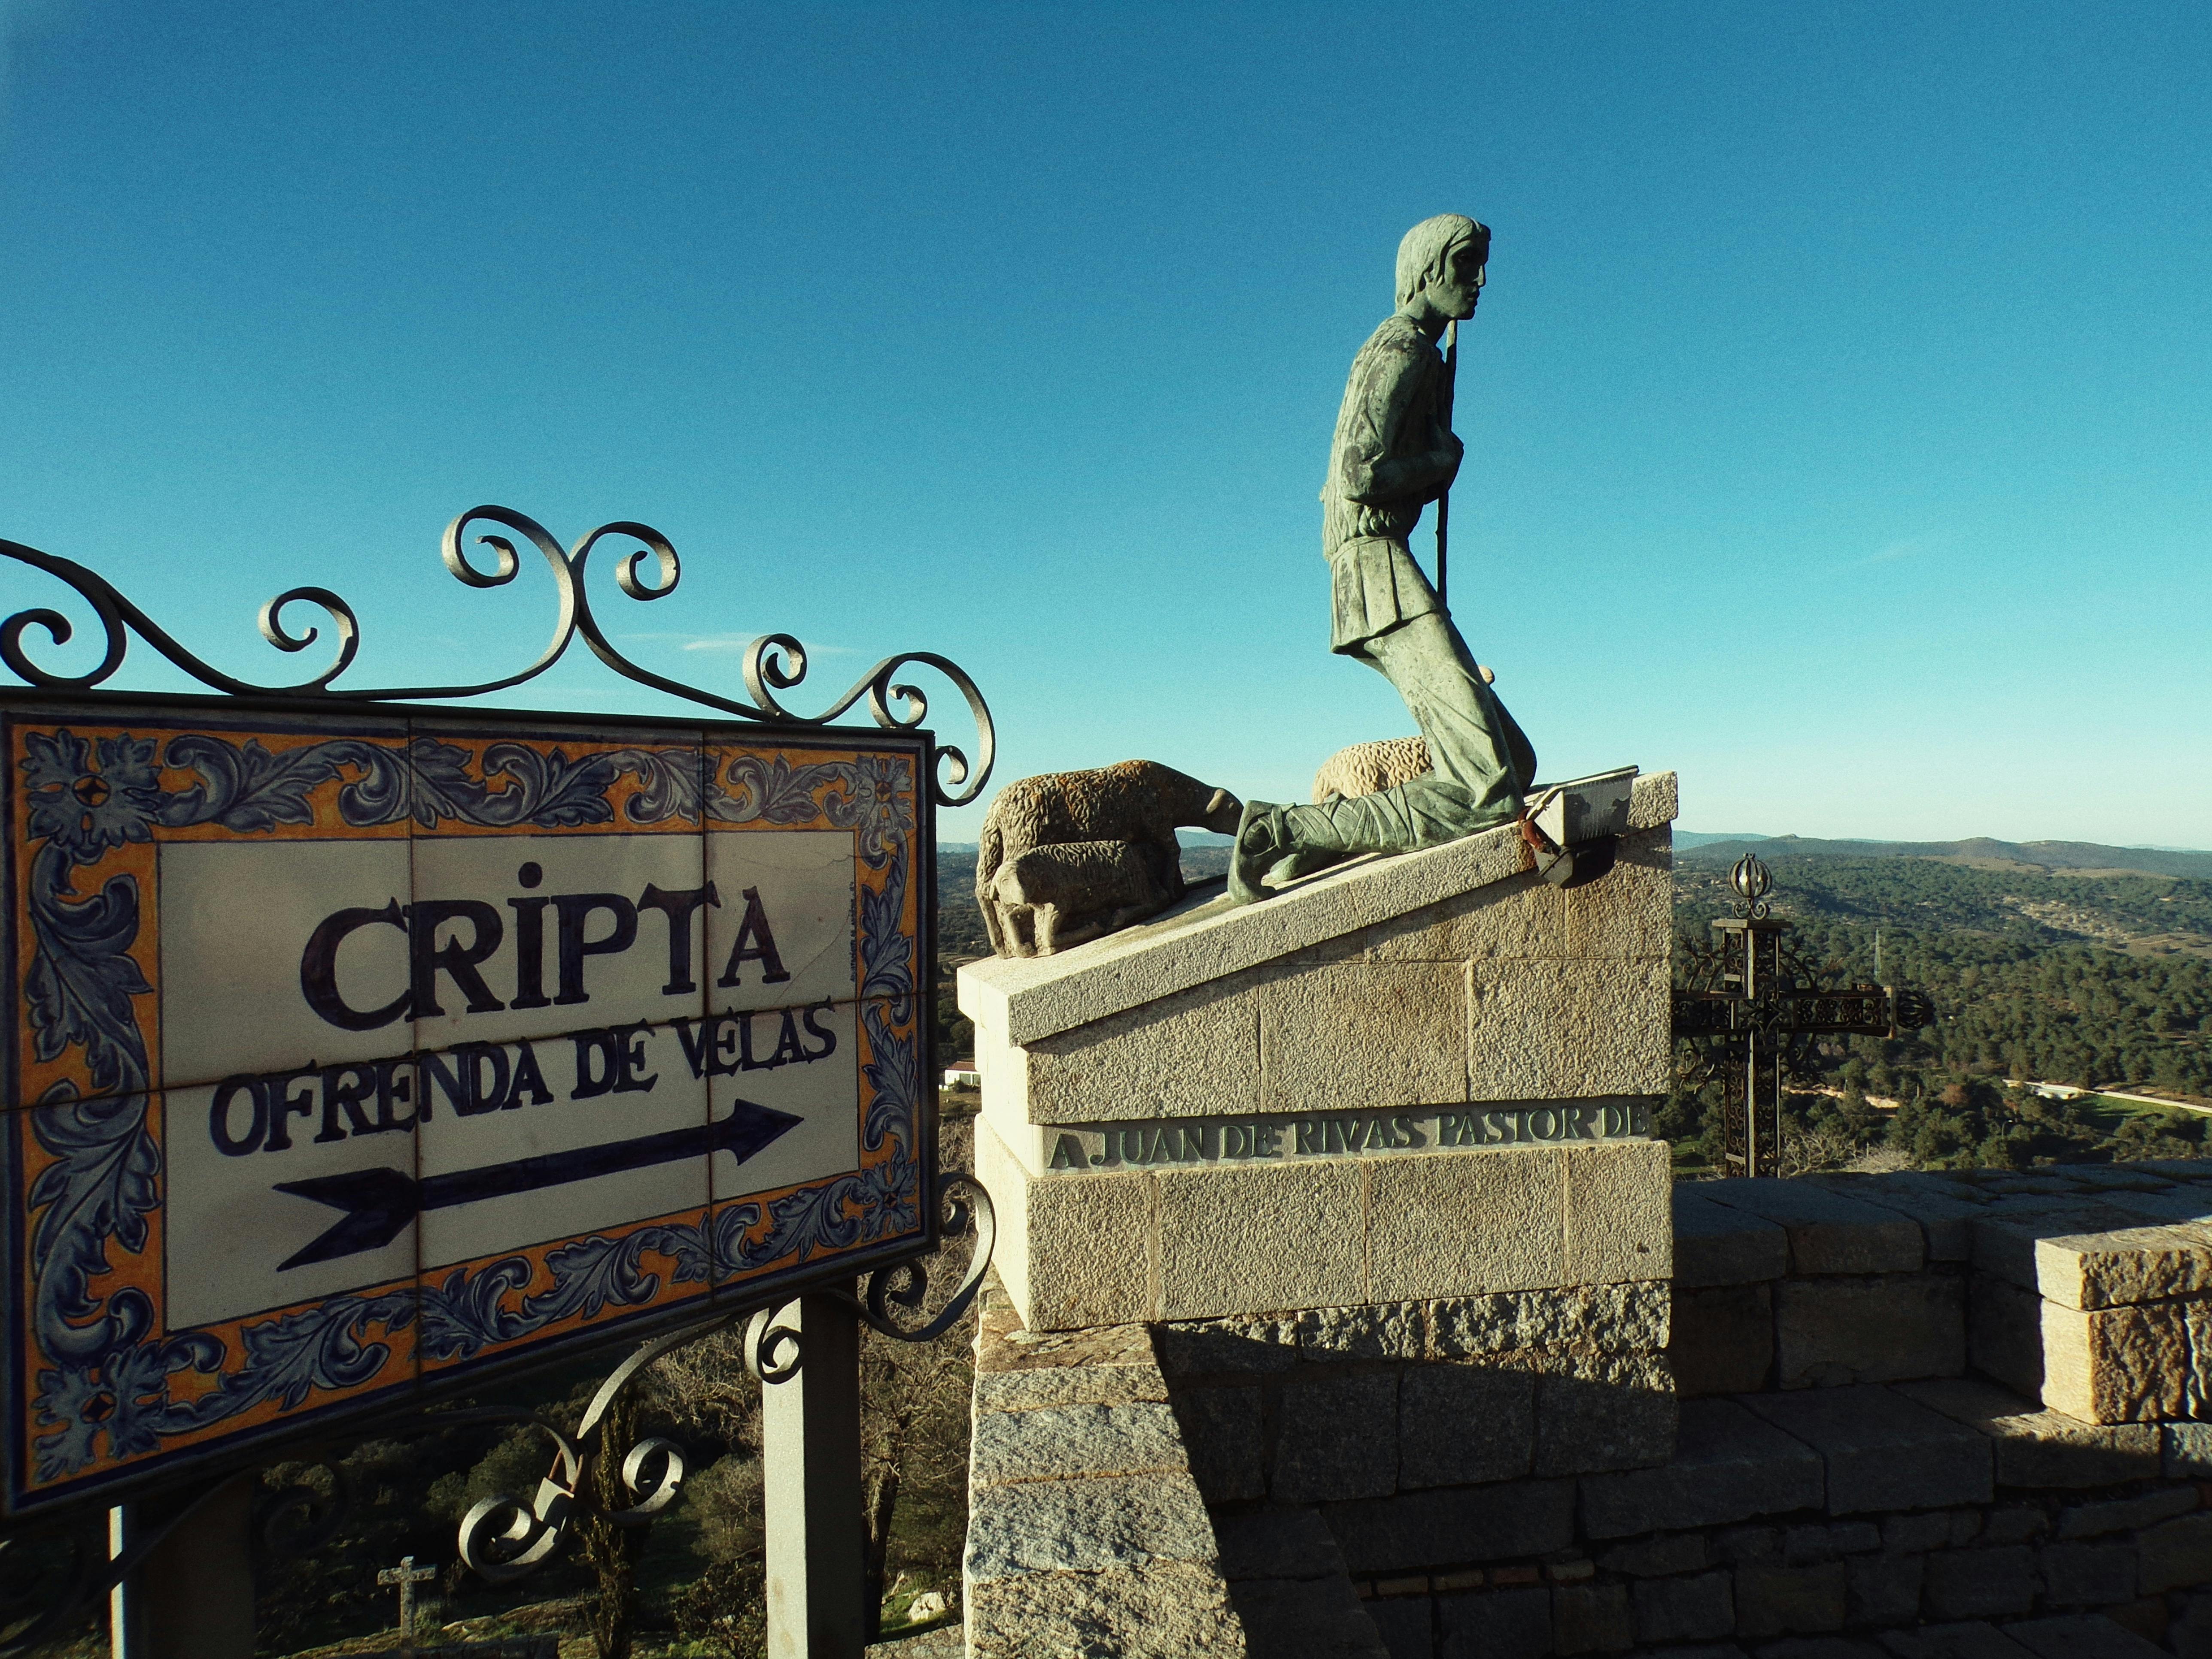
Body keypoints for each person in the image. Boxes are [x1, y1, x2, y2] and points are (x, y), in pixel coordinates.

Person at [1229, 213, 1538, 903]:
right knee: (1488, 792)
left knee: (1514, 762)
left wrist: (1431, 456)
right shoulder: (1405, 349)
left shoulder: (1409, 350)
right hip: (1377, 570)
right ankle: (1279, 830)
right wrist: (1440, 461)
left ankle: (1315, 844)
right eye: (1465, 263)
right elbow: (1359, 474)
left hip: (1375, 566)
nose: (1480, 280)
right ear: (1427, 271)